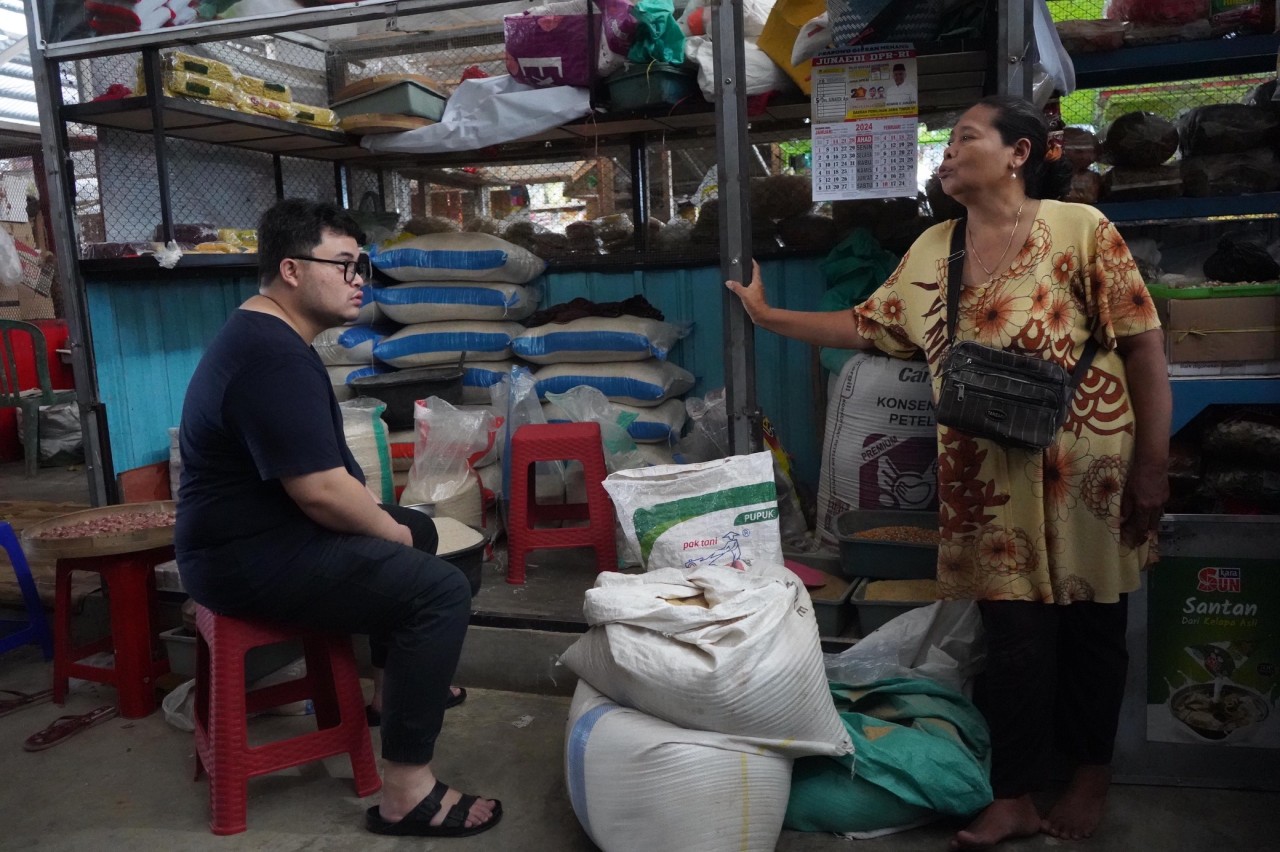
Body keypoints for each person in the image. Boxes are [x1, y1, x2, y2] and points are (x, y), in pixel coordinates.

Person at [726, 96, 1170, 850]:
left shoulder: (1081, 230)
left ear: (1018, 154)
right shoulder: (937, 246)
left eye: (966, 137)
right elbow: (869, 324)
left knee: (1094, 628)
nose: (950, 149)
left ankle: (1091, 773)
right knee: (1013, 640)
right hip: (985, 480)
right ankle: (1018, 793)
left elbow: (1143, 349)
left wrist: (1153, 468)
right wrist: (772, 319)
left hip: (1087, 469)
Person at [175, 198, 502, 839]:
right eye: (345, 266)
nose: (359, 283)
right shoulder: (272, 357)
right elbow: (323, 492)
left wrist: (403, 527)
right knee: (433, 586)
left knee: (447, 544)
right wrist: (396, 534)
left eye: (362, 269)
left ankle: (393, 692)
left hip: (263, 535)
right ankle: (409, 791)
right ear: (292, 269)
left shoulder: (266, 335)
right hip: (248, 556)